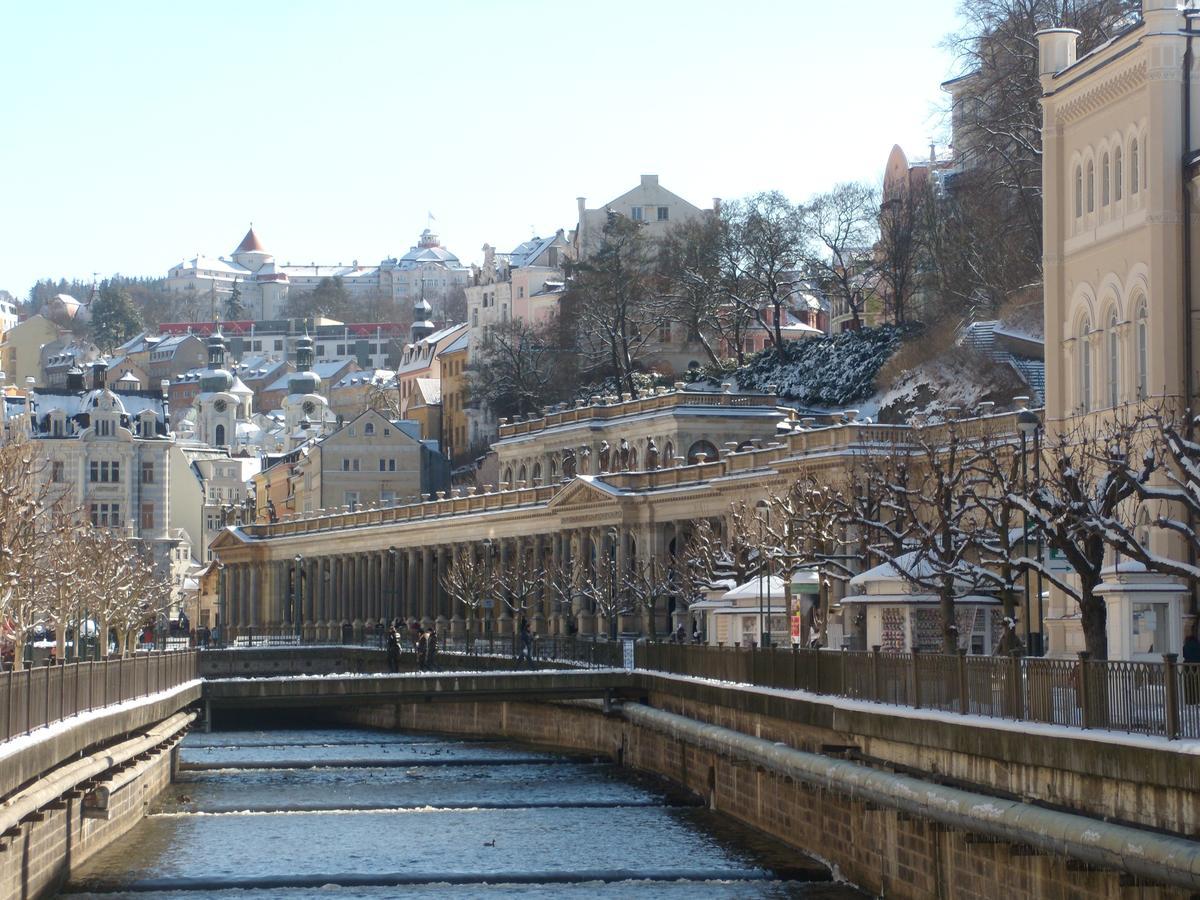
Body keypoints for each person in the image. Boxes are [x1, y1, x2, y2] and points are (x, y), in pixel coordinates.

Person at [1183, 625, 1200, 704]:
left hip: (1188, 669)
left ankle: (1190, 702)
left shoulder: (1185, 646)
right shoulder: (1197, 644)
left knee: (1189, 687)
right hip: (1197, 668)